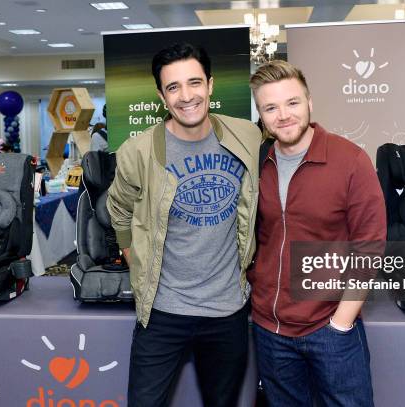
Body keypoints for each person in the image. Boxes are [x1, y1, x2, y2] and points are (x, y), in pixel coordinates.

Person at [106, 42, 261, 407]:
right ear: (161, 96)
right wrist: (135, 260)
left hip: (227, 313)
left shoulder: (248, 137)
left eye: (194, 83)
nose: (186, 96)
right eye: (173, 87)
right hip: (162, 313)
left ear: (210, 84)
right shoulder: (138, 152)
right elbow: (119, 210)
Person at [248, 60, 386, 406]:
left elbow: (369, 247)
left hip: (331, 328)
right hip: (270, 329)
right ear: (262, 116)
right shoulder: (257, 163)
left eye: (292, 103)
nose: (283, 115)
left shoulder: (350, 160)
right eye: (270, 107)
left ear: (310, 102)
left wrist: (341, 322)